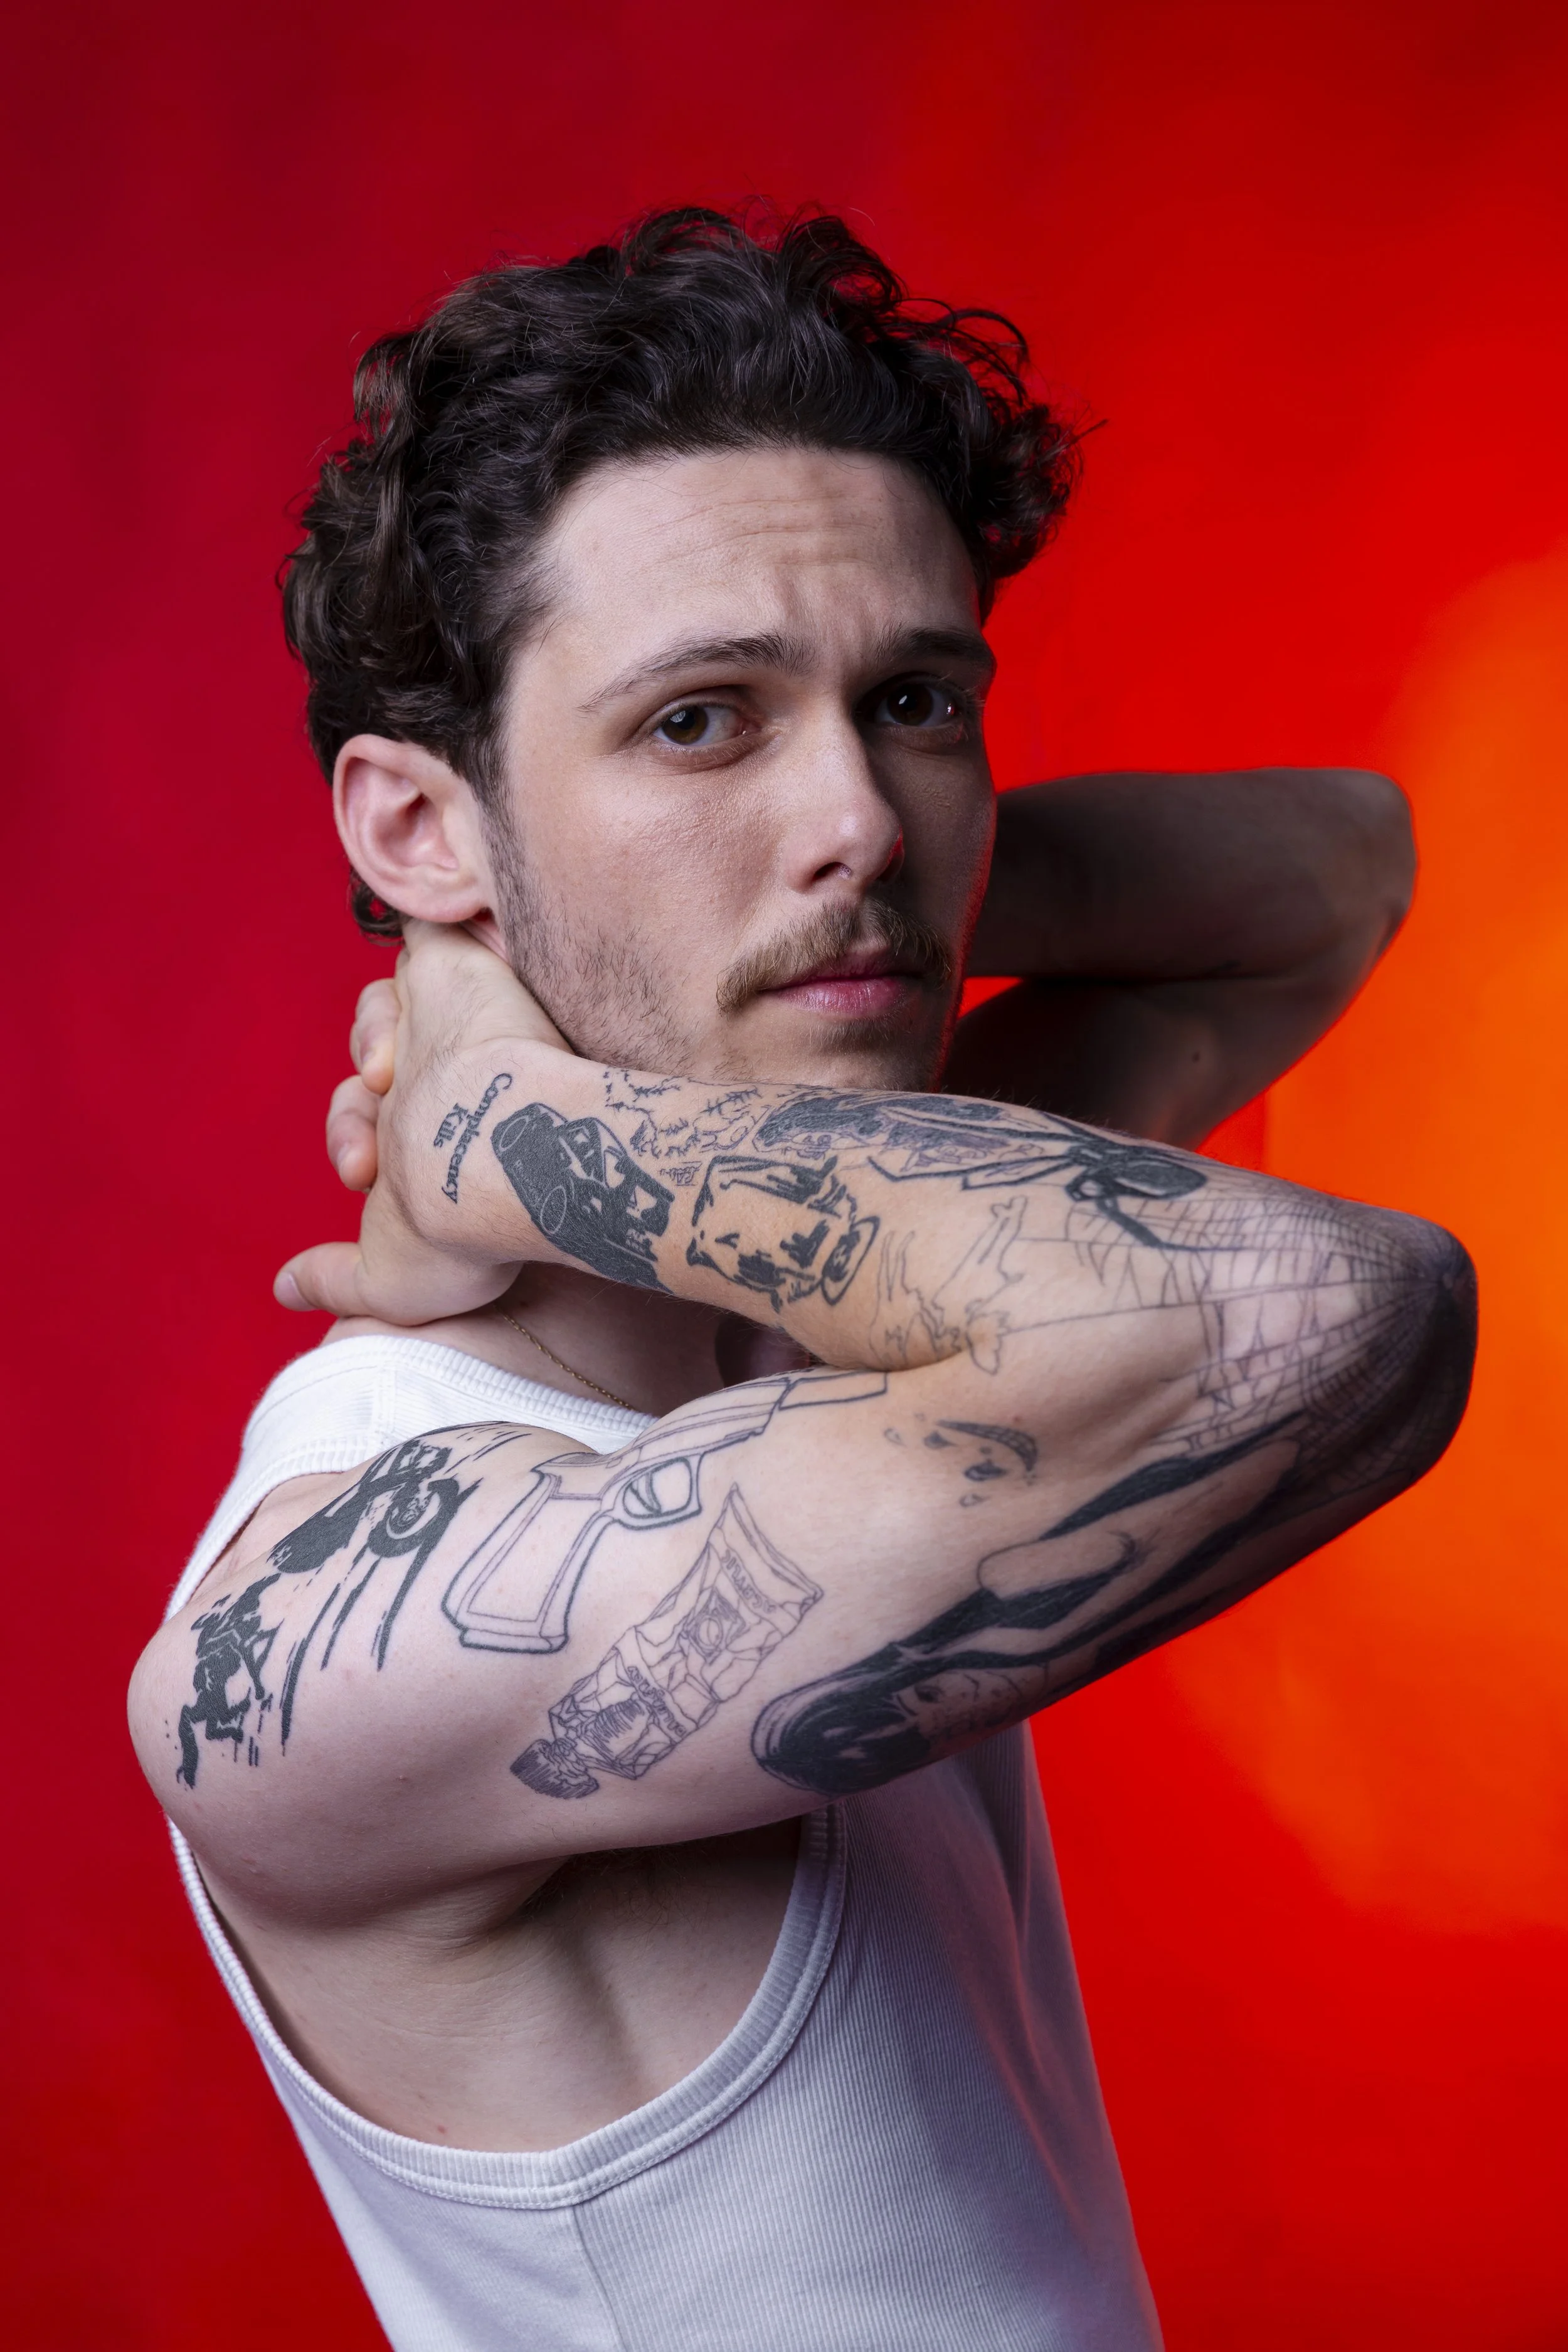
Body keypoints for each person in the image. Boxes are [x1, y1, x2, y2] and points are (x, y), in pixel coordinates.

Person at [129, 209, 1475, 2352]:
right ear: (416, 833)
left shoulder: (854, 1317)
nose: (855, 810)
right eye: (697, 722)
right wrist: (496, 1135)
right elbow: (1316, 1309)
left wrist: (760, 862)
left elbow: (1335, 872)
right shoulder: (338, 1612)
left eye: (916, 702)